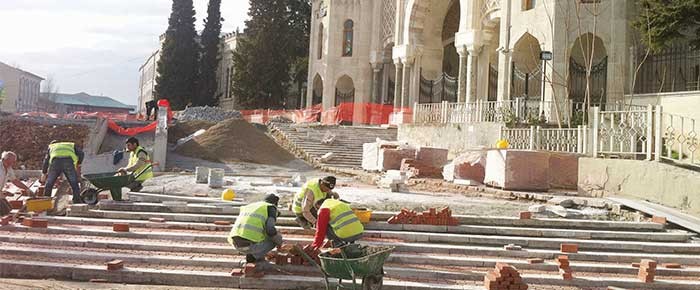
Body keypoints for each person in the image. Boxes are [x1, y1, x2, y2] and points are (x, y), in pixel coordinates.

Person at [227, 194, 284, 267]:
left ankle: (253, 254)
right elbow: (270, 230)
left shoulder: (251, 206)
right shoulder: (271, 208)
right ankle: (253, 257)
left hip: (235, 243)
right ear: (275, 204)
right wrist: (280, 242)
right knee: (274, 240)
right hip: (249, 245)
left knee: (265, 236)